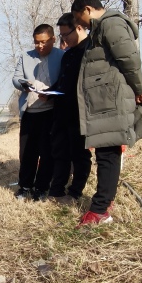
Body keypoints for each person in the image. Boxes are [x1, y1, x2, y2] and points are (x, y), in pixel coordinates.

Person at [71, 0, 142, 227]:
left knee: (108, 153)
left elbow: (129, 58)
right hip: (104, 100)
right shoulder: (100, 28)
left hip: (111, 100)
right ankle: (103, 204)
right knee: (106, 152)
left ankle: (100, 211)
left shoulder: (111, 24)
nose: (81, 25)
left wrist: (139, 88)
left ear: (88, 9)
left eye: (80, 19)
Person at [43, 13, 93, 204]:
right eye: (61, 36)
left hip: (80, 113)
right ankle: (56, 190)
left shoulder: (91, 51)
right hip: (61, 112)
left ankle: (75, 193)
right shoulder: (69, 54)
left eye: (66, 35)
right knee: (59, 151)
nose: (64, 40)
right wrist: (49, 92)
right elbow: (62, 83)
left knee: (79, 154)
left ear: (79, 28)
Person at [12, 24, 64, 201]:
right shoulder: (25, 57)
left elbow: (65, 83)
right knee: (27, 152)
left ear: (53, 39)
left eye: (43, 42)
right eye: (36, 43)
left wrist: (49, 94)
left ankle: (41, 188)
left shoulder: (62, 57)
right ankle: (25, 186)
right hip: (30, 112)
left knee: (47, 153)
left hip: (50, 112)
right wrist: (28, 83)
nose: (40, 46)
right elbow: (16, 79)